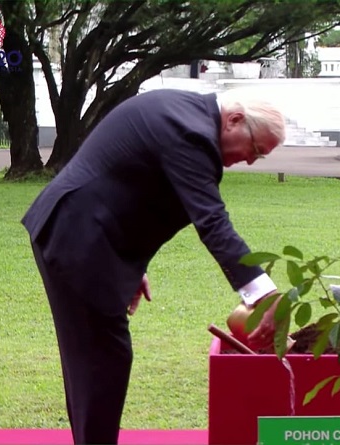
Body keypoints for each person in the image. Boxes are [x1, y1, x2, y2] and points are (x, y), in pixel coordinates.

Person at [22, 88, 286, 444]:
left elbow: (136, 187)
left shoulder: (185, 116)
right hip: (77, 236)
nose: (252, 160)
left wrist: (133, 265)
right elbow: (211, 221)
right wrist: (263, 294)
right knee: (102, 361)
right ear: (235, 120)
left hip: (80, 232)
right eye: (255, 149)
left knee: (95, 361)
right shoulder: (191, 133)